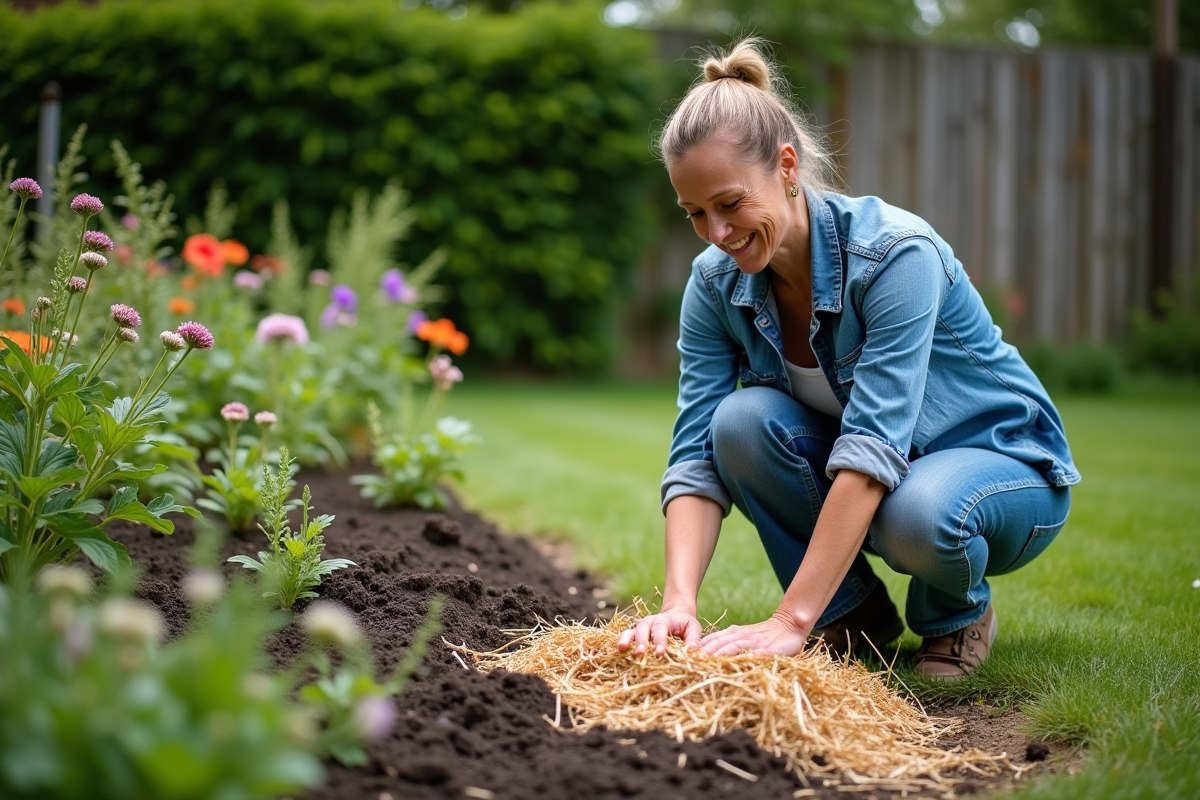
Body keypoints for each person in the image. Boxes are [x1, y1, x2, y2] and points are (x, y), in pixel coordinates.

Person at [615, 39, 1079, 679]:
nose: (717, 233)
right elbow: (696, 450)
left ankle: (955, 616)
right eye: (694, 213)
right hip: (897, 473)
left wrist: (787, 621)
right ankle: (853, 617)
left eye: (729, 204)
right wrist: (678, 603)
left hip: (1004, 468)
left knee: (916, 514)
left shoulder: (894, 256)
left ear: (785, 165)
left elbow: (872, 447)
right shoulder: (714, 282)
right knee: (738, 423)